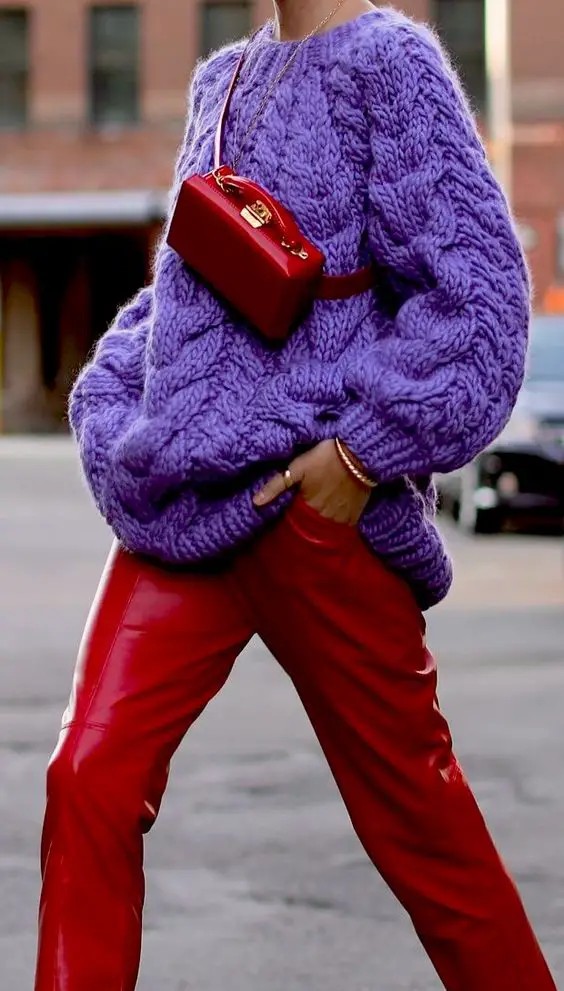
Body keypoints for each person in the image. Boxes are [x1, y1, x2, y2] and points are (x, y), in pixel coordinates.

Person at [34, 2, 557, 989]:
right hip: (184, 507)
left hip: (318, 513)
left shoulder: (388, 63)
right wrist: (109, 403)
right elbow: (185, 296)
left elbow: (481, 300)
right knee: (87, 778)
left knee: (422, 830)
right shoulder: (220, 79)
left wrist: (359, 459)